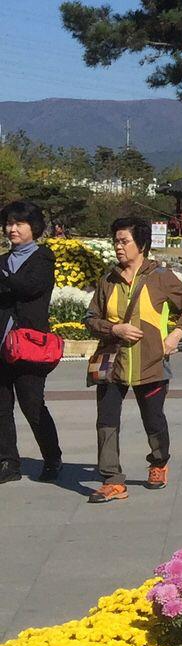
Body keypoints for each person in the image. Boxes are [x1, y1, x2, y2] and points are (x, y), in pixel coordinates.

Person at [84, 216, 182, 504]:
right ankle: (112, 480)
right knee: (106, 421)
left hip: (151, 364)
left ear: (142, 244)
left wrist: (176, 335)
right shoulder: (107, 280)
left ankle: (159, 463)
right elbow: (90, 318)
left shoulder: (161, 277)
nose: (118, 247)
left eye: (125, 241)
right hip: (112, 363)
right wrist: (114, 329)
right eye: (116, 241)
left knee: (154, 419)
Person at [0, 201, 63, 486]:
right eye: (9, 223)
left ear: (33, 228)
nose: (12, 229)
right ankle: (8, 462)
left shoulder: (43, 258)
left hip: (30, 346)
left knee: (32, 404)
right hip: (2, 346)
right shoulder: (2, 261)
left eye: (19, 223)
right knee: (2, 407)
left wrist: (5, 278)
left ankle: (52, 458)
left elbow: (29, 287)